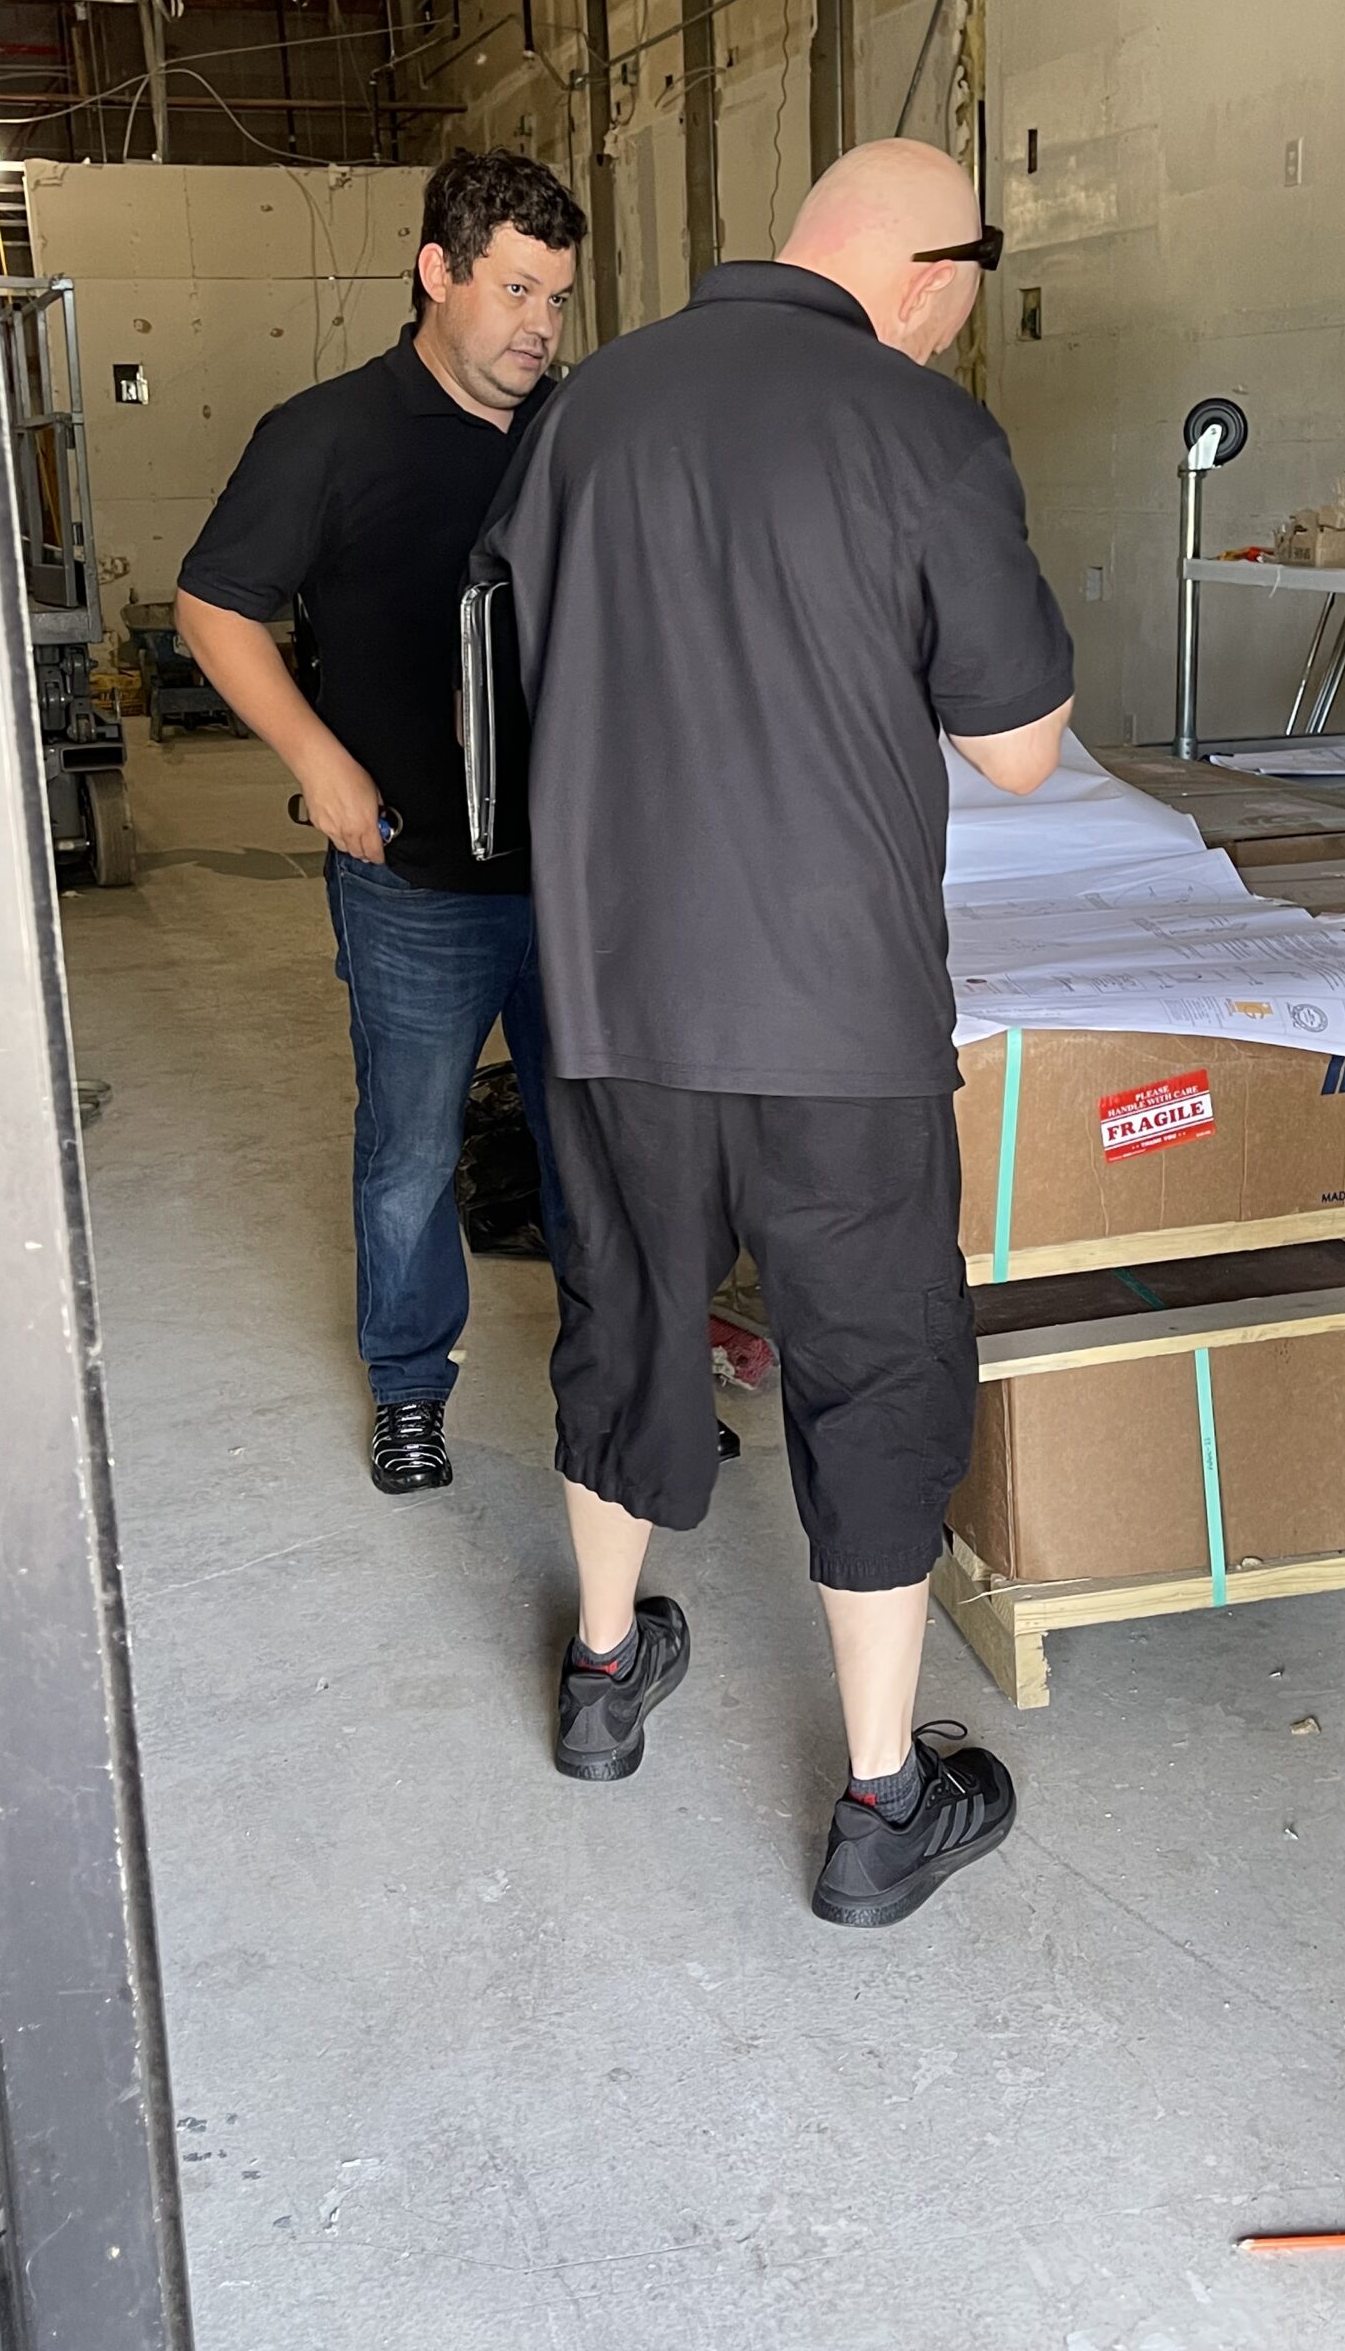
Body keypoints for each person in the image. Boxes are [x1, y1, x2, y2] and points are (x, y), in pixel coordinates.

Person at [473, 138, 1074, 1926]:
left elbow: (515, 660)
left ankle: (602, 1678)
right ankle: (883, 1802)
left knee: (629, 1312)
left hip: (614, 991)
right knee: (874, 1362)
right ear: (932, 277)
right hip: (835, 1011)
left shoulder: (588, 411)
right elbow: (1022, 744)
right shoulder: (920, 430)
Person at [176, 151, 583, 1497]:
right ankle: (412, 1389)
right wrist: (317, 758)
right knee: (410, 1151)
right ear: (440, 272)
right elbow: (217, 605)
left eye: (560, 297)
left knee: (606, 1147)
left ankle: (615, 1390)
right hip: (413, 880)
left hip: (587, 878)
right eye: (517, 288)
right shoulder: (329, 434)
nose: (540, 324)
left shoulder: (582, 430)